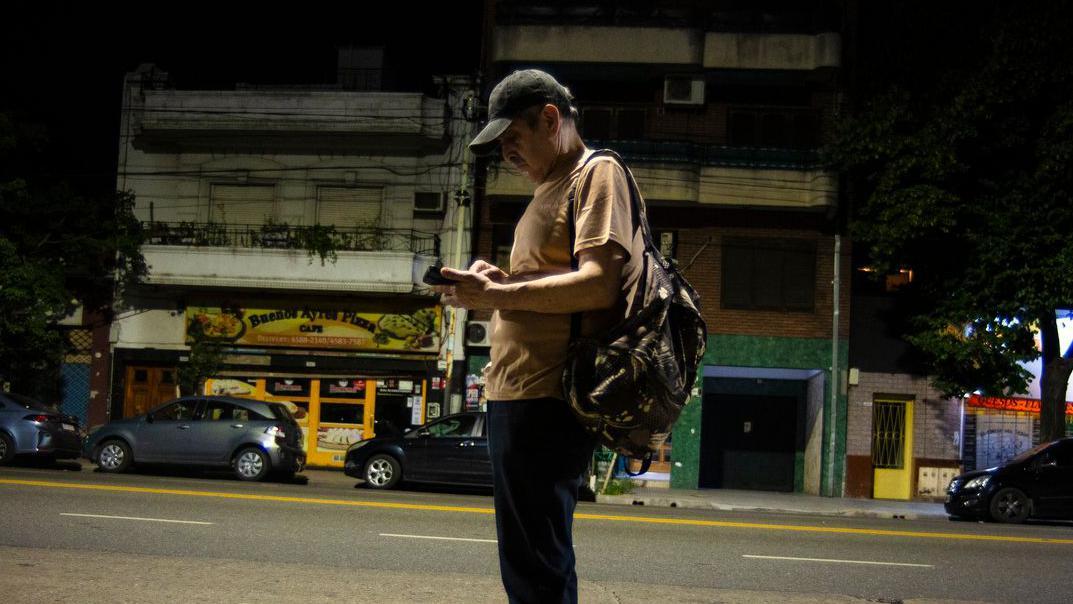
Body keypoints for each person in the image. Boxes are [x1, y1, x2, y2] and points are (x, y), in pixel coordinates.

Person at [433, 69, 646, 603]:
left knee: (537, 568)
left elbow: (598, 285)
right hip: (520, 395)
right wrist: (501, 283)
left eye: (513, 139)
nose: (507, 154)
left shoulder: (596, 174)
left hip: (547, 397)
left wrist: (496, 298)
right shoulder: (550, 188)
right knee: (527, 561)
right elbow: (555, 283)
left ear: (549, 119)